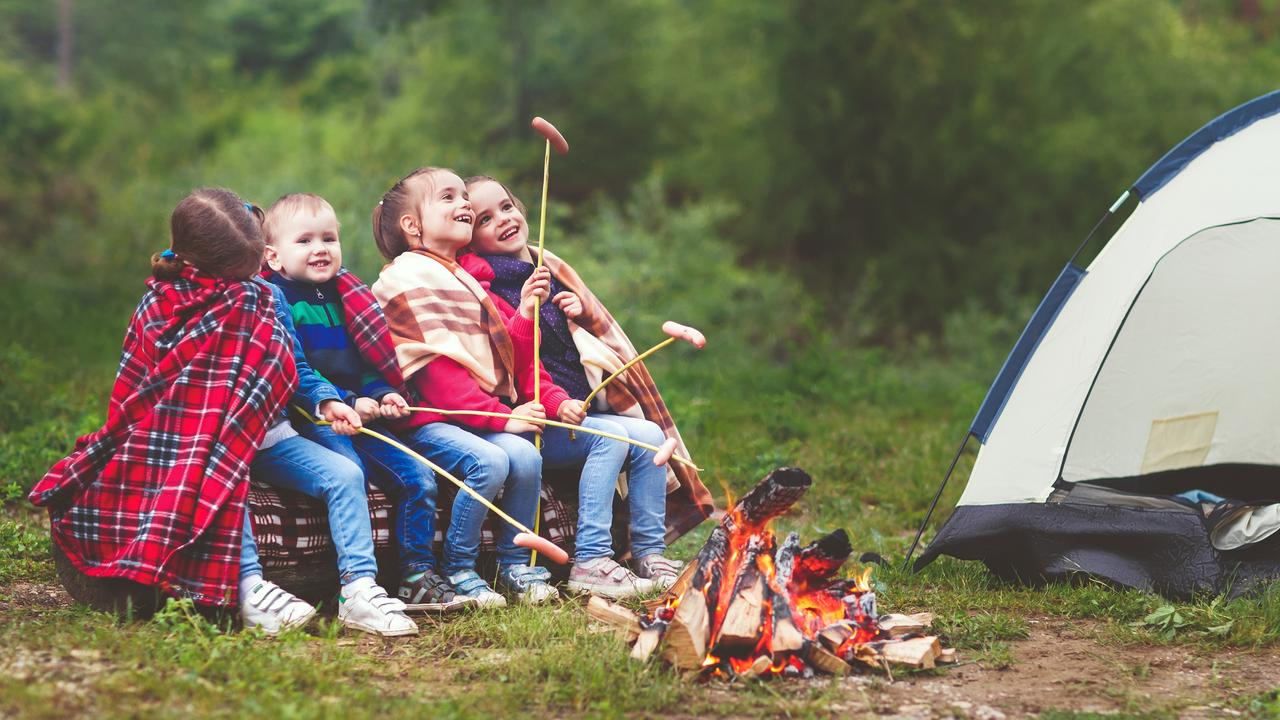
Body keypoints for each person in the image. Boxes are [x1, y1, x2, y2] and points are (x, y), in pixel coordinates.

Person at [26, 188, 317, 635]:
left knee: (209, 462)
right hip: (165, 428)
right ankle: (243, 584)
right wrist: (178, 419)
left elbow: (274, 368)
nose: (257, 275)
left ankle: (246, 583)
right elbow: (141, 382)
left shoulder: (250, 298)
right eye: (247, 269)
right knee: (190, 466)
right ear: (206, 265)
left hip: (232, 429)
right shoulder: (167, 302)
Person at [462, 176, 691, 595]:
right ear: (469, 239)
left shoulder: (544, 266)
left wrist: (577, 312)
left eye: (507, 206)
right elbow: (508, 362)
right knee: (612, 437)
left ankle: (647, 552)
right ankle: (591, 558)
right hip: (535, 420)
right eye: (484, 219)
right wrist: (528, 311)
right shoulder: (484, 287)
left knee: (648, 436)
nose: (504, 220)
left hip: (575, 407)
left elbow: (579, 343)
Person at [260, 192, 470, 613]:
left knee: (417, 478)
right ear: (274, 257)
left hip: (360, 414)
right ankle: (355, 580)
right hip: (315, 418)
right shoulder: (274, 298)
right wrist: (347, 401)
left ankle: (415, 574)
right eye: (304, 241)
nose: (320, 248)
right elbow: (294, 370)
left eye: (329, 238)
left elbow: (372, 359)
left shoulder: (349, 294)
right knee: (349, 472)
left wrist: (382, 393)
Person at [370, 167, 558, 607]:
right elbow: (436, 378)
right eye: (448, 197)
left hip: (473, 413)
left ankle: (514, 563)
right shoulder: (406, 277)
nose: (465, 205)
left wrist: (527, 313)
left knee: (526, 456)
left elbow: (506, 353)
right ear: (413, 226)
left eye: (463, 196)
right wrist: (503, 416)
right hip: (428, 417)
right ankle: (459, 566)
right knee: (490, 461)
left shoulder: (465, 278)